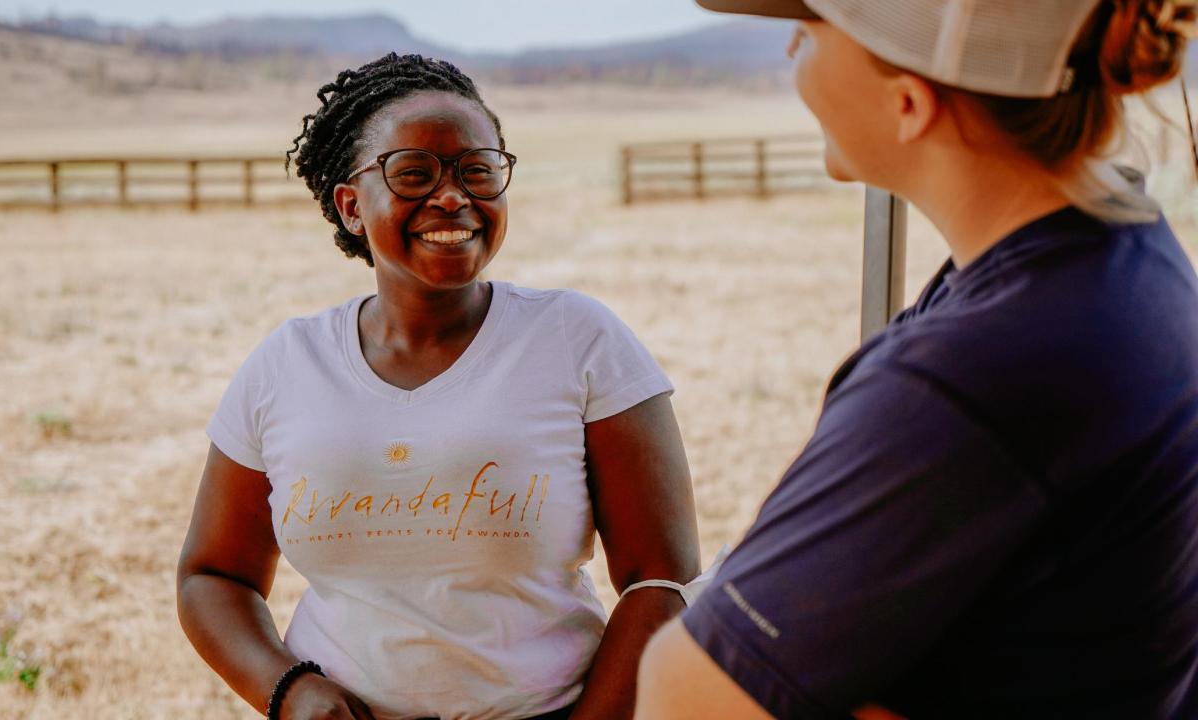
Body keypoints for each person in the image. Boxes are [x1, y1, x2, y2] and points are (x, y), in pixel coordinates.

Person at [636, 1, 1198, 719]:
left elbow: (683, 698)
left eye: (809, 32)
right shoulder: (1124, 250)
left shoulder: (974, 372)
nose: (788, 55)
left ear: (908, 103)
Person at [177, 53, 700, 720]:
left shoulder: (579, 340)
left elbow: (662, 581)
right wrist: (290, 691)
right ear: (351, 206)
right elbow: (213, 575)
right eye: (414, 173)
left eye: (478, 171)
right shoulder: (286, 365)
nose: (453, 197)